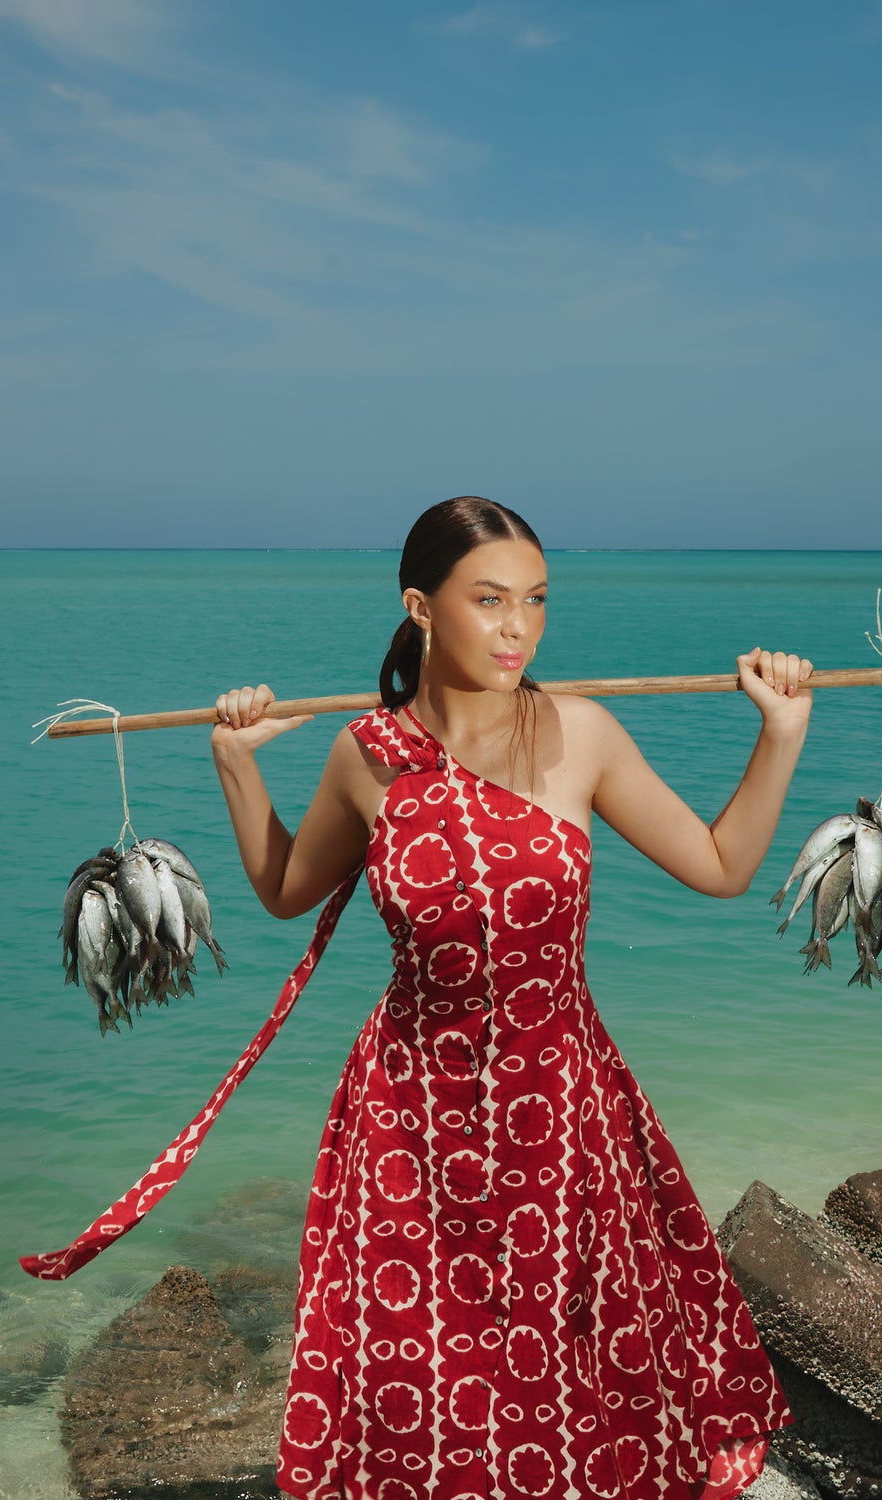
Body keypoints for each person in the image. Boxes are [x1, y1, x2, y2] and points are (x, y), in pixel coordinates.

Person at [207, 497, 810, 1500]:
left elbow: (719, 863)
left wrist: (782, 732)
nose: (518, 628)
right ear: (421, 608)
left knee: (570, 1354)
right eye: (489, 601)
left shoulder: (582, 733)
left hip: (558, 1100)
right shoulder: (367, 755)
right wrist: (234, 765)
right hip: (408, 1111)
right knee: (414, 1366)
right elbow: (284, 892)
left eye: (535, 601)